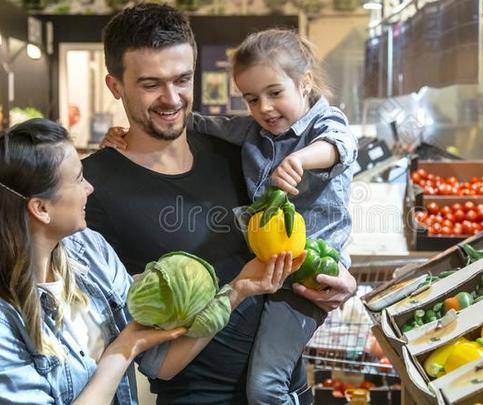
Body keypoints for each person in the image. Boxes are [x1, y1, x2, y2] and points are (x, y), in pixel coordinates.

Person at [86, 4, 357, 404]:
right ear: (115, 86)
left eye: (182, 79)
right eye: (150, 84)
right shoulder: (92, 189)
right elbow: (142, 352)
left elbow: (307, 225)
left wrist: (340, 283)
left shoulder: (240, 153)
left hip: (289, 388)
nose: (171, 98)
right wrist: (236, 290)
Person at [0, 118, 296, 404]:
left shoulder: (90, 251)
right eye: (78, 179)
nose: (89, 187)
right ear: (40, 208)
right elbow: (132, 343)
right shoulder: (5, 322)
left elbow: (161, 363)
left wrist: (239, 289)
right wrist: (122, 351)